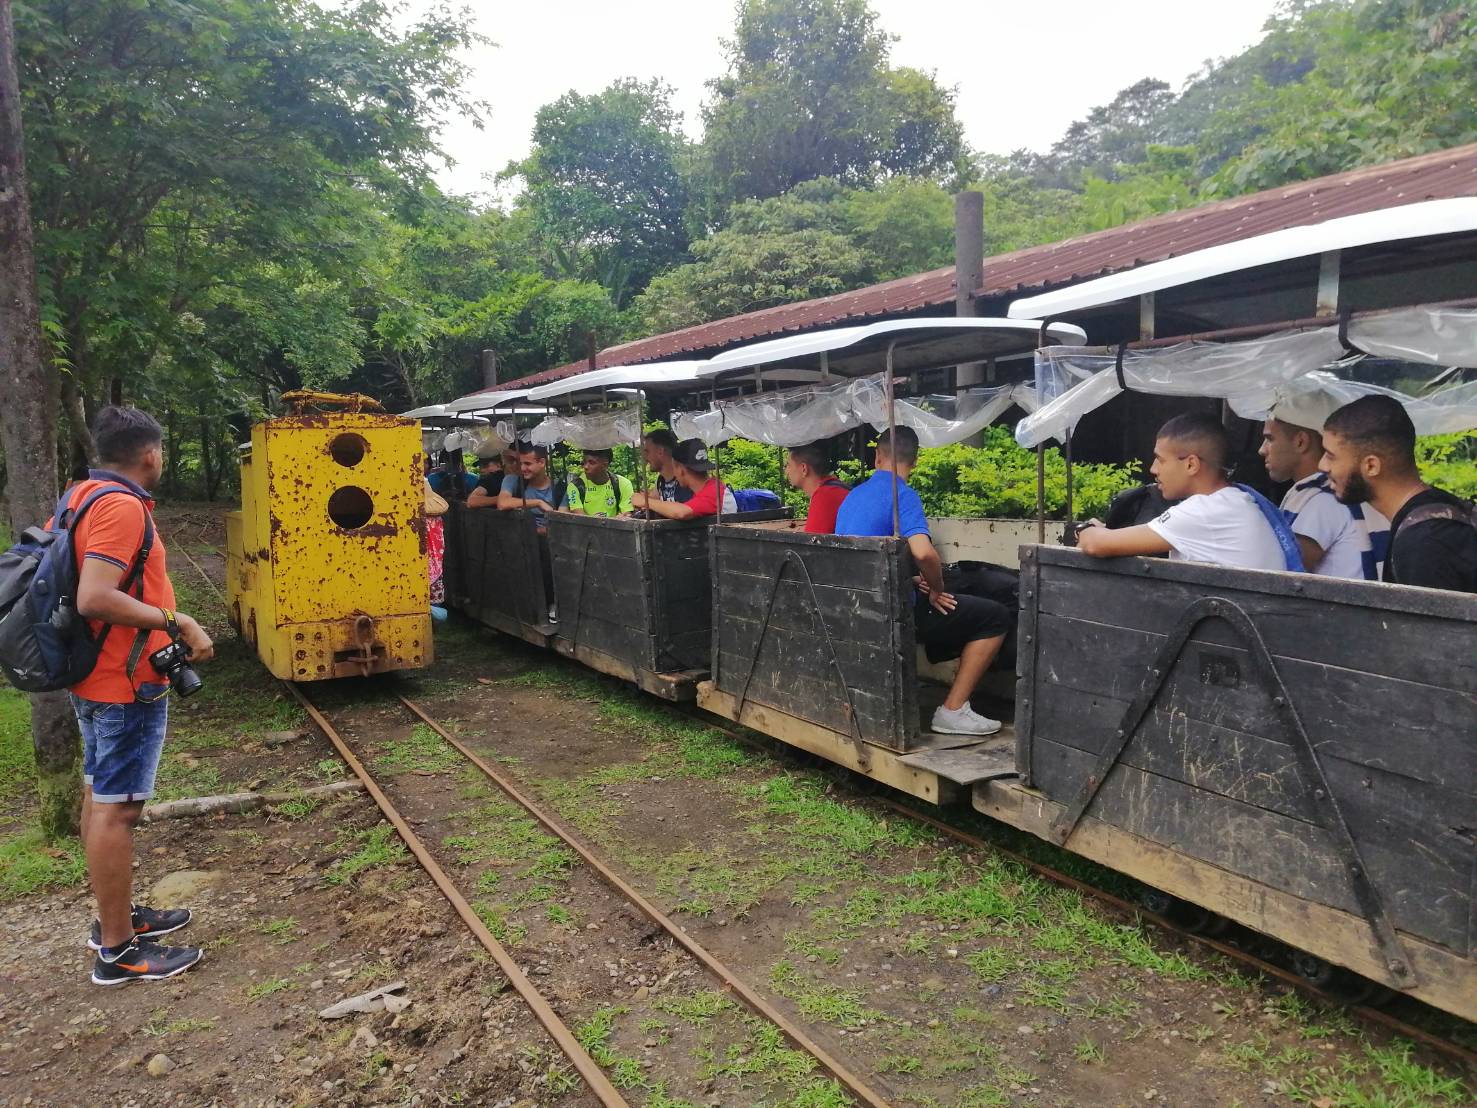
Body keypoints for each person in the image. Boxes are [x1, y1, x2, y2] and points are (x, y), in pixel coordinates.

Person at [64, 406, 215, 985]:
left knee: (99, 794)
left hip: (95, 675)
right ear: (151, 454)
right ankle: (118, 952)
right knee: (118, 809)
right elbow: (95, 596)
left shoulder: (81, 495)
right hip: (123, 682)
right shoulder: (122, 506)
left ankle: (114, 919)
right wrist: (178, 621)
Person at [835, 427, 1006, 737]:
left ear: (877, 457)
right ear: (914, 461)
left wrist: (912, 578)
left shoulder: (852, 497)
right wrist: (937, 588)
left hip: (855, 603)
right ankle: (952, 711)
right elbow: (924, 552)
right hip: (893, 612)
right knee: (995, 616)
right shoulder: (903, 495)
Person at [1078, 412, 1296, 571]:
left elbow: (1096, 544)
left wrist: (1086, 529)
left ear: (1191, 464)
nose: (1153, 469)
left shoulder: (1205, 511)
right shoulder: (1236, 500)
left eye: (1160, 459)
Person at [1320, 395, 1476, 592]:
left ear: (1371, 466)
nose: (1322, 465)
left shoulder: (1424, 545)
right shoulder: (1440, 510)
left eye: (1331, 456)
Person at [1259, 400, 1386, 580]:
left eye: (1270, 439)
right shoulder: (1325, 493)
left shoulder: (1324, 500)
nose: (1262, 450)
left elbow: (1278, 567)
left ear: (1301, 442)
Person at [630, 439, 736, 519]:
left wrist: (645, 501)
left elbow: (681, 512)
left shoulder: (714, 492)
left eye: (674, 468)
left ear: (680, 469)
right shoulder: (710, 488)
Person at [784, 442, 849, 534]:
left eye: (788, 465)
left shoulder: (824, 496)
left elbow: (812, 541)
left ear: (804, 469)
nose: (786, 471)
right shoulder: (834, 488)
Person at [496, 442, 563, 529]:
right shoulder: (513, 480)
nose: (522, 468)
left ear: (542, 462)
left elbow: (563, 521)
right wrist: (538, 503)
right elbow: (502, 503)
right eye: (520, 463)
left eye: (527, 464)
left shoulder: (559, 487)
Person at [564, 449, 635, 518]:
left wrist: (624, 516)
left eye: (592, 463)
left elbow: (627, 515)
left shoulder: (623, 484)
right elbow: (581, 518)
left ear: (605, 465)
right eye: (584, 462)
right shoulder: (575, 485)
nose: (585, 467)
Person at [641, 428, 690, 503]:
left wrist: (647, 502)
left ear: (660, 451)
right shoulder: (661, 480)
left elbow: (686, 508)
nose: (645, 457)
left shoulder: (686, 478)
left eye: (647, 451)